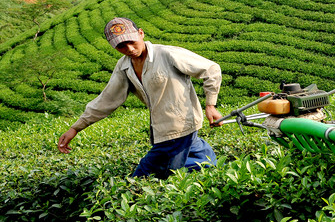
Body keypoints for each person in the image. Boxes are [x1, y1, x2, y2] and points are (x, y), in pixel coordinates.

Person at [57, 17, 223, 179]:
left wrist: (210, 105)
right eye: (121, 46)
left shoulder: (166, 54)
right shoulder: (124, 66)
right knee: (195, 159)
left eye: (131, 41)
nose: (129, 48)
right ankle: (213, 171)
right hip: (161, 131)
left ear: (141, 33)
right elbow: (106, 100)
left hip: (177, 130)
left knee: (143, 178)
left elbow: (211, 69)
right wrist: (76, 128)